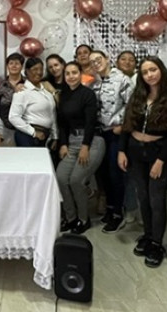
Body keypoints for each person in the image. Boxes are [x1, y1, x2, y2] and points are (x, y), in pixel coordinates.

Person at [117, 56, 167, 268]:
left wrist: (161, 160)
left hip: (157, 153)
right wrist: (121, 151)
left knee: (156, 200)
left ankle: (157, 243)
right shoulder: (138, 96)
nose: (150, 75)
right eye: (145, 72)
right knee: (142, 197)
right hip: (135, 152)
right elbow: (127, 125)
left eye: (153, 70)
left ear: (161, 71)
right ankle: (147, 235)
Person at [56, 62, 105, 234]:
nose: (71, 76)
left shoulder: (87, 94)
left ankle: (84, 219)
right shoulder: (64, 95)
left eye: (74, 72)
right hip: (71, 141)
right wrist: (63, 144)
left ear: (80, 74)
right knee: (61, 178)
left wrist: (86, 145)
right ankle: (71, 218)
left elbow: (91, 121)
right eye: (67, 73)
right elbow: (62, 124)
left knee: (76, 180)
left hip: (92, 141)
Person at [89, 50, 134, 234]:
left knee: (116, 174)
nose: (96, 63)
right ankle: (109, 208)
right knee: (104, 174)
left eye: (98, 59)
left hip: (116, 133)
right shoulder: (94, 83)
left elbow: (131, 105)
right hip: (100, 134)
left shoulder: (122, 80)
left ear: (107, 59)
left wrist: (121, 124)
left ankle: (118, 213)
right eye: (92, 62)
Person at [9, 57, 57, 147]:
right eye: (35, 69)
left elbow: (52, 114)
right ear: (27, 71)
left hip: (45, 136)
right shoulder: (22, 91)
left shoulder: (46, 92)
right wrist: (33, 132)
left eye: (41, 69)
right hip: (28, 136)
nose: (39, 72)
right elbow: (13, 117)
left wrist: (55, 136)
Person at [0, 52, 26, 145]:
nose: (14, 66)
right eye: (11, 63)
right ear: (7, 66)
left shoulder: (28, 84)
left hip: (24, 128)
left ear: (22, 66)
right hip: (6, 128)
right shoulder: (0, 86)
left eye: (17, 63)